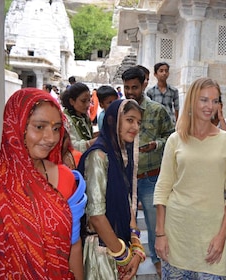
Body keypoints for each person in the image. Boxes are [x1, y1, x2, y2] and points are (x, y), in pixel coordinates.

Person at [0, 88, 84, 279]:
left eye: (56, 128)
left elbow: (73, 244)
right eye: (39, 127)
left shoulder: (65, 178)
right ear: (15, 124)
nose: (51, 138)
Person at [154, 77, 226, 279]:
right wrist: (160, 234)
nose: (209, 106)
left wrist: (222, 236)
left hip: (213, 236)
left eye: (215, 100)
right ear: (192, 101)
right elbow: (163, 188)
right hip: (176, 234)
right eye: (204, 100)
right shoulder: (175, 140)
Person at [77, 99, 146, 280]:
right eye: (130, 120)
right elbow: (97, 216)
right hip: (102, 252)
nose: (135, 127)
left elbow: (127, 202)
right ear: (113, 121)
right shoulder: (98, 156)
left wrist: (136, 246)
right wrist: (123, 257)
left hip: (119, 246)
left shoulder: (121, 156)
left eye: (138, 122)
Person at [122, 66, 175, 276]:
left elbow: (171, 137)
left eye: (134, 87)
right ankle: (125, 262)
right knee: (125, 223)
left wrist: (156, 144)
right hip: (125, 179)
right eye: (126, 88)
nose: (130, 92)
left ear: (144, 84)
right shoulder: (119, 110)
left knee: (156, 225)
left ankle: (159, 262)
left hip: (150, 177)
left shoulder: (157, 110)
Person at [61, 82, 97, 153]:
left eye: (89, 100)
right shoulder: (65, 120)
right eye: (83, 101)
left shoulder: (84, 117)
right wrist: (93, 142)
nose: (87, 105)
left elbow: (89, 136)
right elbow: (72, 146)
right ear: (72, 101)